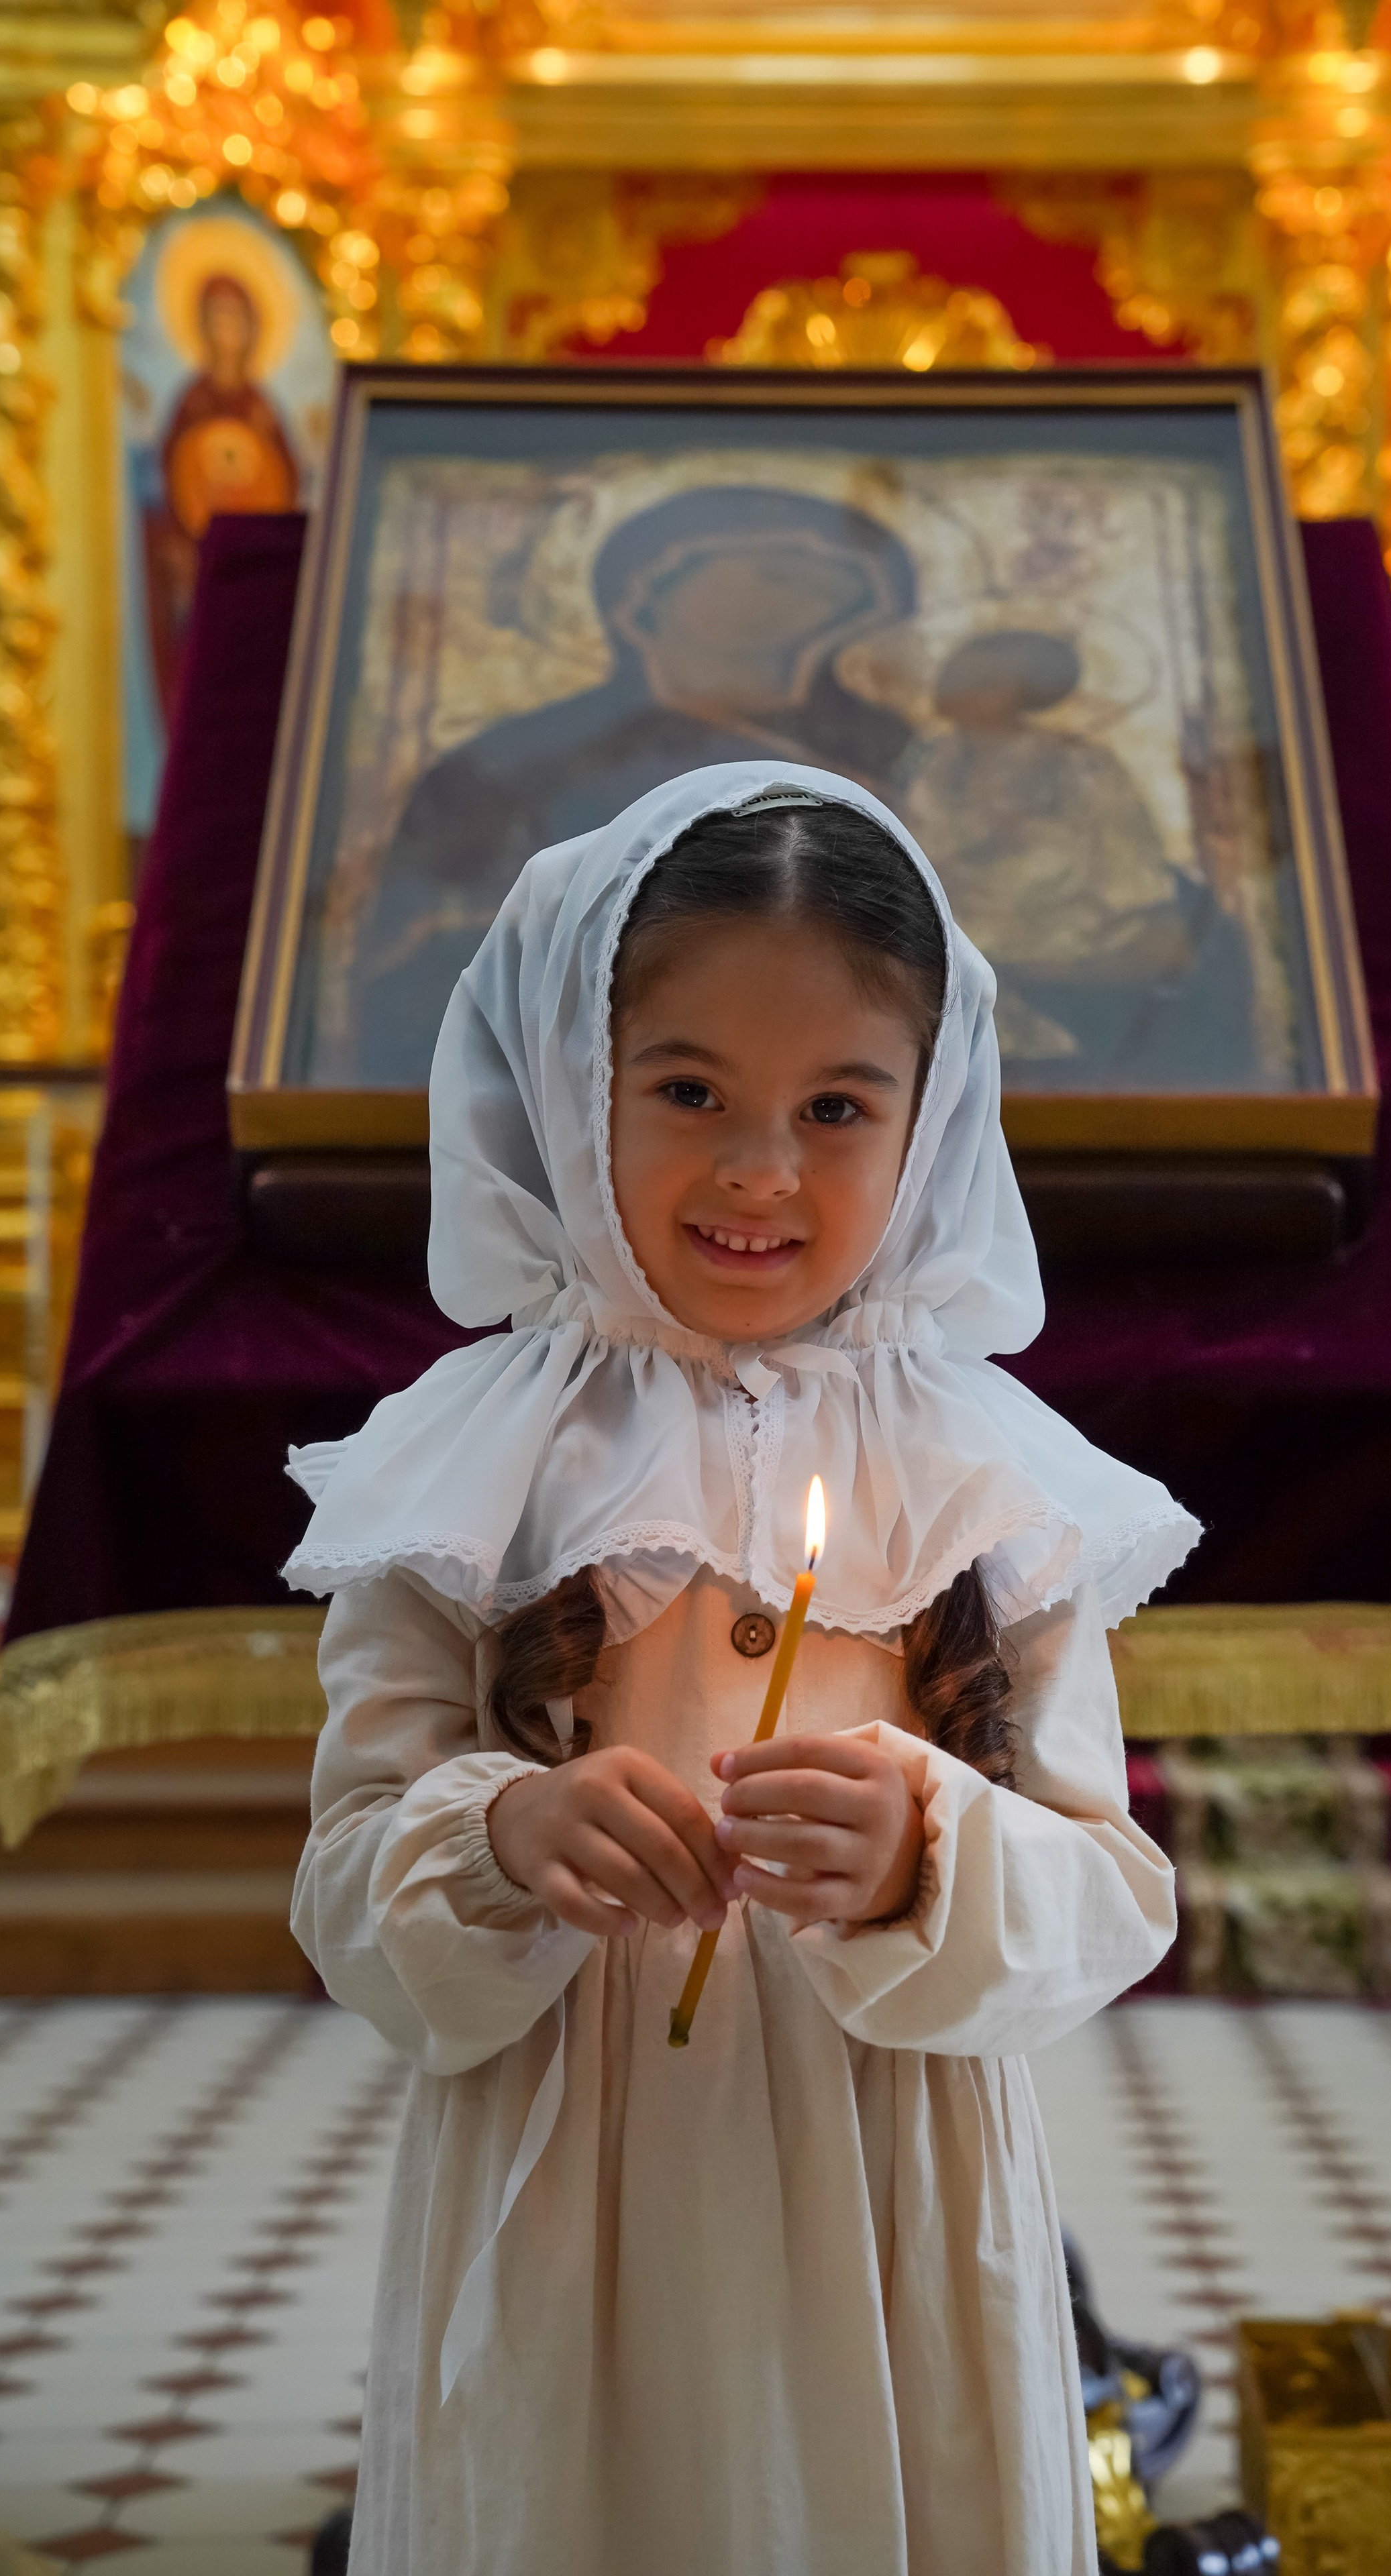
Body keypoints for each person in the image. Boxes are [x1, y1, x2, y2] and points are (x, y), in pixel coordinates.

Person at [287, 761, 1196, 2574]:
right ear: (566, 1081)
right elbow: (345, 1884)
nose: (761, 1170)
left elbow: (1110, 1898)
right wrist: (504, 1838)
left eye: (839, 1106)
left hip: (894, 2211)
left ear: (930, 1122)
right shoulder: (472, 1467)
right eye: (688, 1089)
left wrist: (932, 1852)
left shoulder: (987, 1482)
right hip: (571, 2202)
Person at [350, 488, 918, 1083]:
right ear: (645, 596)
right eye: (775, 574)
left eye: (831, 583)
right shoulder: (516, 764)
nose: (803, 595)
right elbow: (420, 977)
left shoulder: (890, 772)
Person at [897, 630, 1259, 1083]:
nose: (957, 685)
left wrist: (1024, 845)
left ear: (1019, 691)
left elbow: (1133, 879)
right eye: (956, 669)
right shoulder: (931, 766)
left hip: (1075, 938)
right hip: (959, 936)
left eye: (984, 677)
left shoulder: (1078, 765)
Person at [142, 272, 301, 718]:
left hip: (258, 568)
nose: (226, 331)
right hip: (202, 564)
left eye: (235, 320)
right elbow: (171, 480)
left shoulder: (262, 409)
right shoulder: (191, 403)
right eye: (217, 320)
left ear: (252, 329)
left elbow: (285, 481)